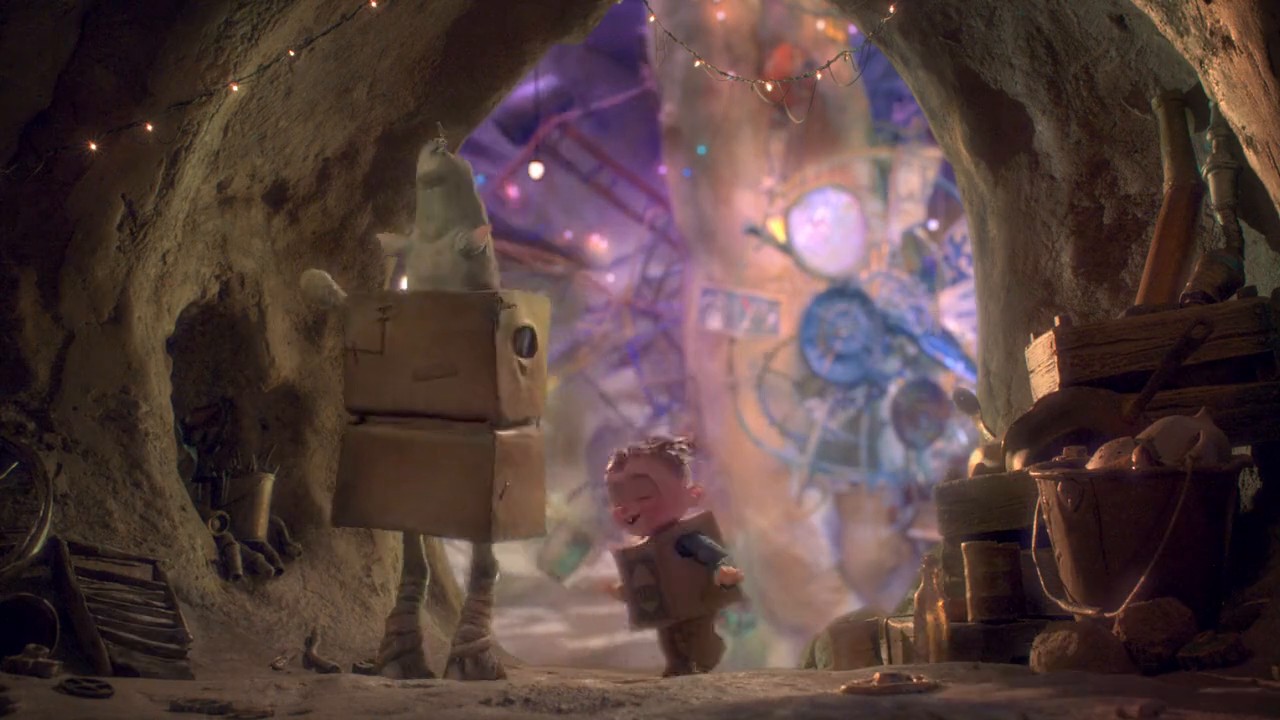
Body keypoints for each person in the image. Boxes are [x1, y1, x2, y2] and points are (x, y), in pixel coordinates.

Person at [603, 436, 745, 676]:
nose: (629, 508)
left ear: (692, 494)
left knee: (697, 637)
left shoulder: (685, 539)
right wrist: (625, 591)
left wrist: (722, 568)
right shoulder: (644, 550)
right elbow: (644, 580)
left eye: (643, 495)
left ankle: (708, 652)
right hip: (666, 609)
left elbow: (710, 553)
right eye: (619, 500)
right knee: (669, 638)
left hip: (695, 603)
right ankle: (678, 665)